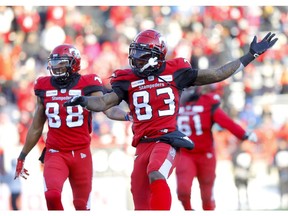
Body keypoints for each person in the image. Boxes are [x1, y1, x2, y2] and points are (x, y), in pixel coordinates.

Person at [63, 29, 277, 210]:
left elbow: (217, 74)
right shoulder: (126, 78)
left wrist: (249, 56)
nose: (136, 59)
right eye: (135, 54)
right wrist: (83, 101)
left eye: (142, 55)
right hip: (142, 144)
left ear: (156, 56)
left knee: (156, 173)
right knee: (139, 199)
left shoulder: (176, 71)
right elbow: (105, 103)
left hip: (167, 139)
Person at [14, 44, 130, 210]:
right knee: (52, 195)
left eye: (62, 63)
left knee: (82, 206)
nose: (57, 67)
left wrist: (128, 116)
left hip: (81, 153)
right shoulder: (43, 85)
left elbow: (108, 109)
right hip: (55, 152)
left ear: (73, 64)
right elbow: (36, 126)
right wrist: (22, 155)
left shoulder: (87, 83)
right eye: (54, 64)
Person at [175, 86, 257, 210]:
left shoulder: (207, 102)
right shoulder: (173, 102)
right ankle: (188, 210)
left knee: (207, 197)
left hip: (205, 154)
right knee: (183, 190)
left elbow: (226, 122)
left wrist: (243, 134)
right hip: (185, 153)